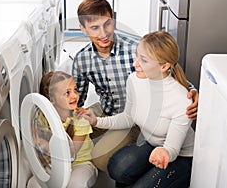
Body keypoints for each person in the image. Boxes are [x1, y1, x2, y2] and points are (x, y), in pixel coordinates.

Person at [72, 0, 198, 172]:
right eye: (94, 28)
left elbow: (169, 78)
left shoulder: (136, 48)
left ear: (113, 20)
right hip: (109, 110)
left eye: (107, 24)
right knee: (72, 131)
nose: (103, 33)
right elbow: (76, 100)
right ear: (83, 29)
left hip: (137, 118)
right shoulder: (81, 59)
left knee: (102, 160)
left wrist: (193, 92)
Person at [80, 31, 195, 187]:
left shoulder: (181, 100)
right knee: (116, 167)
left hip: (180, 156)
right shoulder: (135, 80)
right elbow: (128, 117)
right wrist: (96, 121)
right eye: (137, 56)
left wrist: (165, 152)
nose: (135, 64)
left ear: (164, 66)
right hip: (152, 144)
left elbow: (172, 149)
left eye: (144, 60)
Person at [39, 71, 98, 188]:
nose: (74, 96)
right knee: (34, 183)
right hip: (56, 164)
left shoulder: (81, 118)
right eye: (67, 93)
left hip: (81, 164)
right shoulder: (43, 117)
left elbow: (70, 153)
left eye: (75, 90)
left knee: (74, 184)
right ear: (52, 99)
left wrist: (44, 144)